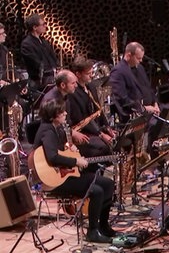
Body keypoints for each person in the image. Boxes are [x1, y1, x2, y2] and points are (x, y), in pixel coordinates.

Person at [33, 99, 115, 243]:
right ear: (53, 115)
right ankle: (92, 231)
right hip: (55, 181)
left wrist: (70, 149)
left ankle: (103, 226)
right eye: (61, 112)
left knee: (108, 184)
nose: (65, 113)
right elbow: (52, 157)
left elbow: (58, 151)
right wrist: (75, 161)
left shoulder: (56, 128)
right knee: (97, 191)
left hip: (65, 175)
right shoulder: (47, 130)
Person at [67, 56, 115, 158]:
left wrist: (107, 127)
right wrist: (101, 134)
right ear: (78, 74)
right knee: (105, 147)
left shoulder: (91, 86)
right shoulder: (73, 93)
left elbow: (99, 109)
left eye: (92, 73)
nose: (92, 76)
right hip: (84, 131)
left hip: (96, 128)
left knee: (119, 139)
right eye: (88, 74)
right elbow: (82, 120)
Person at [109, 42, 159, 124]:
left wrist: (155, 103)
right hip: (133, 117)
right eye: (138, 58)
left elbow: (148, 87)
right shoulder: (118, 71)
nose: (141, 60)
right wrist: (143, 108)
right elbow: (122, 98)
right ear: (129, 55)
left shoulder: (139, 68)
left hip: (149, 114)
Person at [41, 69, 91, 146]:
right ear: (63, 85)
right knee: (100, 148)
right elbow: (54, 127)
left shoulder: (65, 95)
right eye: (73, 83)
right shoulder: (52, 101)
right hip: (57, 142)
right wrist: (72, 134)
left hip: (66, 134)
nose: (76, 86)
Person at [20, 13, 58, 90]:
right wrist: (53, 71)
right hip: (39, 83)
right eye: (43, 24)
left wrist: (57, 69)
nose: (45, 26)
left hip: (51, 78)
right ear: (35, 27)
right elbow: (37, 65)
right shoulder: (27, 44)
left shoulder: (44, 41)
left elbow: (53, 59)